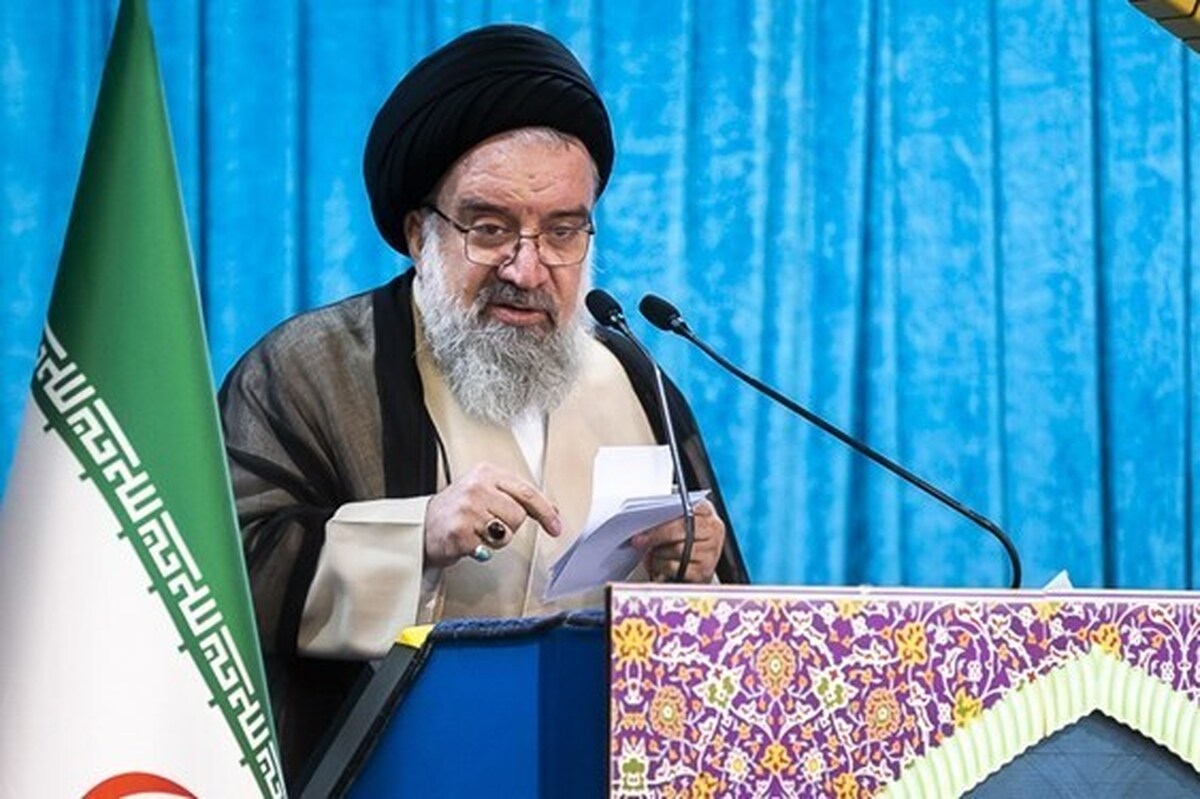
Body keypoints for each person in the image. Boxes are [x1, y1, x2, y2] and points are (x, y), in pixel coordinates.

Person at [218, 24, 749, 786]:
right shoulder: (313, 370)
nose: (527, 268)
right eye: (491, 228)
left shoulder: (634, 381)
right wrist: (417, 535)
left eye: (561, 231)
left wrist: (695, 575)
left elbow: (720, 654)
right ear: (418, 233)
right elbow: (221, 575)